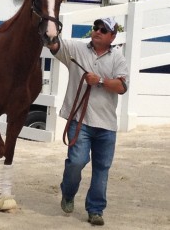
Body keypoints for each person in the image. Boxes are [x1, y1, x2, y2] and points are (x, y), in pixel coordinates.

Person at [47, 17, 129, 226]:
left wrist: (99, 81)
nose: (98, 31)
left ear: (112, 36)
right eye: (96, 28)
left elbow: (121, 87)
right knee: (76, 162)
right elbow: (55, 45)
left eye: (103, 29)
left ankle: (95, 210)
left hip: (107, 125)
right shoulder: (75, 49)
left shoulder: (118, 58)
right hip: (80, 121)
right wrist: (50, 31)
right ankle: (68, 192)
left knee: (102, 168)